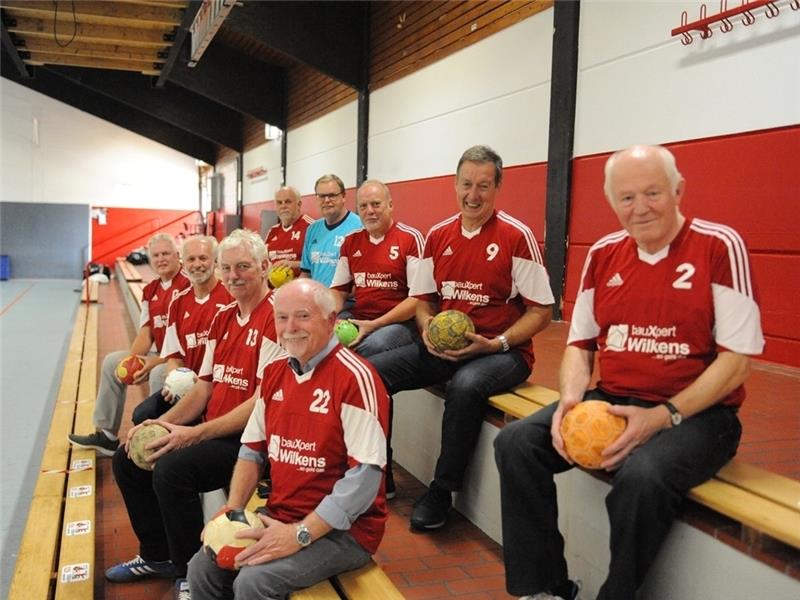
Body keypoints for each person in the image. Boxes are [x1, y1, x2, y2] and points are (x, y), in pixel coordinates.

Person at [493, 145, 764, 600]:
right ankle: (545, 589)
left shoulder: (719, 245)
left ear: (678, 190)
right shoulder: (603, 254)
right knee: (516, 443)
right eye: (626, 198)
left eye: (653, 193)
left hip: (699, 417)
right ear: (612, 202)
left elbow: (737, 362)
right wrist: (571, 403)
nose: (640, 208)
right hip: (614, 397)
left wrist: (662, 417)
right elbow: (580, 346)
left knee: (642, 476)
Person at [369, 145, 554, 530]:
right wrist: (426, 330)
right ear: (455, 185)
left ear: (498, 187)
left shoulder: (516, 237)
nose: (474, 194)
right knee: (372, 372)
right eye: (467, 184)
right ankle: (377, 474)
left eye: (484, 186)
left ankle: (441, 492)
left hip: (502, 351)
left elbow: (541, 311)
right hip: (445, 347)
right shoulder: (438, 236)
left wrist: (497, 343)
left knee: (466, 386)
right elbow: (424, 301)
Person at [186, 278, 390, 600]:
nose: (290, 327)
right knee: (202, 567)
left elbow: (364, 478)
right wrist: (233, 511)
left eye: (303, 316)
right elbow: (252, 450)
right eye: (282, 317)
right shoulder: (275, 372)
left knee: (254, 582)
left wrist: (301, 533)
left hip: (344, 532)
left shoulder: (356, 378)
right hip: (280, 515)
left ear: (331, 321)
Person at [106, 229, 285, 587]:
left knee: (172, 470)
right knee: (127, 458)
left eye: (244, 267)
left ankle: (189, 574)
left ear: (265, 267)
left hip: (251, 442)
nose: (234, 276)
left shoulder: (277, 317)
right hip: (211, 429)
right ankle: (156, 556)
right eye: (228, 268)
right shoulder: (223, 318)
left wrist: (191, 434)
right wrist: (159, 423)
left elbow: (260, 403)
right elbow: (203, 389)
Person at [69, 233, 190, 456]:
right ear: (150, 259)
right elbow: (147, 331)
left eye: (166, 254)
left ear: (177, 255)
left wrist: (155, 362)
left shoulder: (188, 286)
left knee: (158, 374)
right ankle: (107, 435)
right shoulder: (150, 290)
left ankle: (158, 439)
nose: (161, 259)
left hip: (184, 360)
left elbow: (189, 344)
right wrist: (133, 361)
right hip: (159, 354)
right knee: (112, 362)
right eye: (156, 255)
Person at [131, 235, 233, 424]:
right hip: (188, 386)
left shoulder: (230, 297)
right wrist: (175, 381)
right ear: (183, 263)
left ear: (215, 261)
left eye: (203, 258)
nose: (197, 264)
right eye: (191, 259)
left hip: (217, 386)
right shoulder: (178, 303)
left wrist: (201, 386)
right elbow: (174, 357)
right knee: (141, 415)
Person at [330, 179, 424, 357]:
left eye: (376, 204)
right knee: (322, 335)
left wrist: (377, 324)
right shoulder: (350, 241)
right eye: (363, 206)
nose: (370, 211)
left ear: (390, 205)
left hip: (400, 323)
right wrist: (331, 316)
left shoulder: (410, 238)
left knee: (371, 346)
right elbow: (338, 289)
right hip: (360, 315)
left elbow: (418, 299)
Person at [299, 174, 362, 286]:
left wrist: (335, 296)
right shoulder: (312, 229)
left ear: (343, 196)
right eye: (322, 196)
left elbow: (362, 278)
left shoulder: (360, 227)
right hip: (317, 300)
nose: (327, 200)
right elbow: (306, 273)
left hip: (347, 301)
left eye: (332, 195)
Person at [264, 185, 314, 279]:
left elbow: (319, 263)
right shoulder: (272, 231)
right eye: (279, 203)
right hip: (274, 288)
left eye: (288, 202)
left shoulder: (311, 227)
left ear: (299, 204)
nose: (283, 206)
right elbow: (263, 260)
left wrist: (292, 264)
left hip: (301, 288)